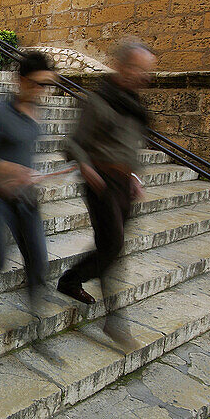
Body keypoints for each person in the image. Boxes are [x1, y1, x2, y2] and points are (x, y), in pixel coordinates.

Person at [56, 38, 156, 343]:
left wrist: (135, 177)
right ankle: (115, 321)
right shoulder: (97, 101)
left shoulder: (133, 106)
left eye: (147, 71)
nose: (143, 77)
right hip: (100, 182)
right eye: (138, 69)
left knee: (111, 248)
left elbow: (130, 147)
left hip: (123, 185)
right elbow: (73, 143)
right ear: (122, 66)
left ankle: (71, 279)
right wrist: (85, 166)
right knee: (113, 246)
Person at [0, 51, 57, 335]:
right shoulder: (1, 111)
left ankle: (36, 313)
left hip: (26, 198)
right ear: (20, 81)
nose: (41, 91)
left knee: (38, 258)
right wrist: (9, 170)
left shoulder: (36, 112)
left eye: (46, 85)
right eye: (37, 84)